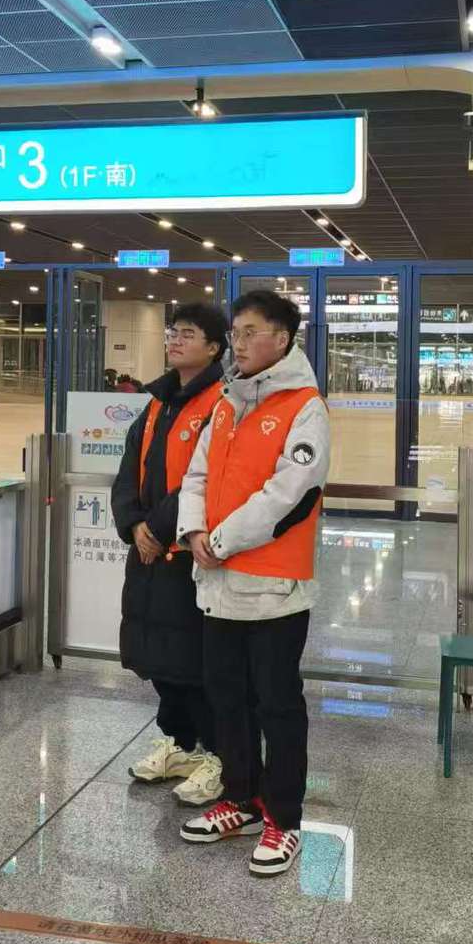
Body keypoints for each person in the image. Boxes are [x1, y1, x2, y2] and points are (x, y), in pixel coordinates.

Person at [177, 290, 330, 877]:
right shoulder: (226, 401)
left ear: (282, 339)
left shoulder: (305, 407)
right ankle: (240, 799)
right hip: (217, 585)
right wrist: (194, 531)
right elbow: (198, 473)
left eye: (249, 333)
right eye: (235, 333)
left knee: (277, 705)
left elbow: (288, 495)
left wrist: (220, 540)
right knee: (227, 698)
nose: (237, 343)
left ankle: (283, 819)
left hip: (273, 589)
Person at [113, 304, 228, 806]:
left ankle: (218, 753)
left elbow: (207, 479)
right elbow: (128, 470)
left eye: (188, 333)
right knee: (156, 654)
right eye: (173, 332)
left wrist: (157, 528)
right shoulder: (156, 402)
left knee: (194, 659)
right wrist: (133, 523)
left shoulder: (221, 401)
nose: (175, 340)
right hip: (148, 550)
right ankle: (180, 743)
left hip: (187, 552)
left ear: (214, 348)